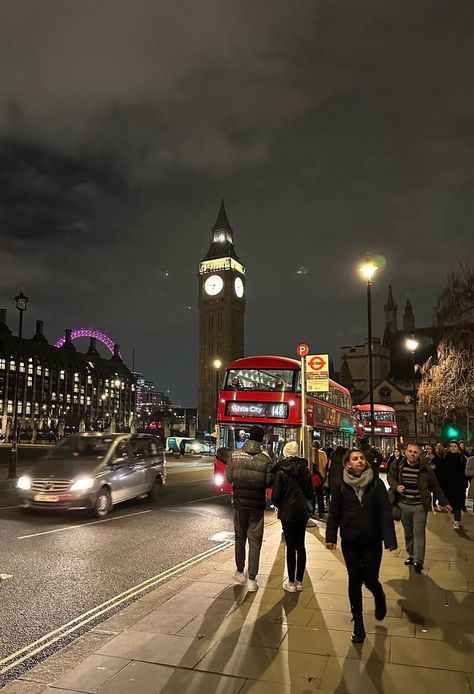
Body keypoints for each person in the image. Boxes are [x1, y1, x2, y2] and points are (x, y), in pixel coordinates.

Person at [326, 448, 397, 643]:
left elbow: (384, 512)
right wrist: (331, 537)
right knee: (355, 579)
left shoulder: (376, 483)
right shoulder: (340, 484)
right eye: (355, 459)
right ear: (347, 464)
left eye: (361, 458)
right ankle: (358, 623)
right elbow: (334, 512)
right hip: (350, 539)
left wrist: (389, 539)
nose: (359, 461)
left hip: (373, 540)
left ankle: (378, 594)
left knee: (370, 578)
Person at [387, 442, 451, 572]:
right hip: (403, 505)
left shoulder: (425, 467)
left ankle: (418, 561)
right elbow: (390, 477)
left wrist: (444, 503)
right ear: (406, 452)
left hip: (419, 506)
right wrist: (396, 486)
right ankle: (411, 554)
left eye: (415, 452)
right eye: (410, 451)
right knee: (409, 533)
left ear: (419, 454)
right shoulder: (398, 464)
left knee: (419, 533)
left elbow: (435, 486)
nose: (412, 454)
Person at [226, 425, 274, 592]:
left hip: (239, 504)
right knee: (255, 542)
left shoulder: (234, 455)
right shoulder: (266, 458)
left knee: (240, 537)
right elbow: (269, 482)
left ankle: (240, 571)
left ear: (248, 436)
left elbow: (229, 477)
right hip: (257, 505)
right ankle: (252, 579)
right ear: (261, 439)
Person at [271, 441, 314, 592]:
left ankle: (290, 582)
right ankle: (300, 581)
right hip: (302, 512)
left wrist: (277, 503)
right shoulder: (306, 470)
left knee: (290, 547)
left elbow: (276, 495)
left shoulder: (281, 471)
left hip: (287, 513)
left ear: (285, 453)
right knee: (301, 545)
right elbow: (310, 493)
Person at [437, 441, 468, 529]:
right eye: (451, 446)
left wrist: (464, 483)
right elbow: (442, 471)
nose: (453, 448)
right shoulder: (445, 457)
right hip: (448, 485)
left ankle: (456, 520)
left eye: (455, 446)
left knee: (458, 503)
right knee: (451, 502)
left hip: (459, 486)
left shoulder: (462, 458)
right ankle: (453, 514)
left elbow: (465, 472)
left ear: (458, 448)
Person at [311, 440, 327, 517]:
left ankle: (312, 510)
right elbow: (325, 466)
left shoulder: (309, 452)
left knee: (311, 494)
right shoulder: (322, 453)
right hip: (319, 477)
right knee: (319, 494)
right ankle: (321, 511)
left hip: (311, 476)